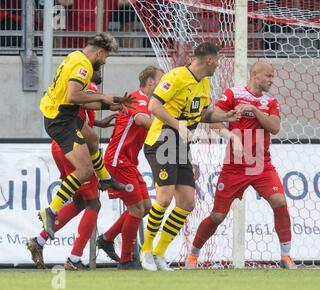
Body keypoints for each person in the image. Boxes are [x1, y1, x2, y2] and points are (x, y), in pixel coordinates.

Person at [185, 61, 297, 269]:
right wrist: (231, 137)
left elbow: (275, 128)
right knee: (217, 216)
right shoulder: (233, 94)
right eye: (269, 76)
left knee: (280, 202)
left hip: (261, 165)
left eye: (273, 77)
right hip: (234, 166)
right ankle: (193, 254)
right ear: (255, 74)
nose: (272, 80)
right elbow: (214, 121)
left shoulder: (270, 101)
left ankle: (286, 256)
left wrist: (254, 110)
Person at [140, 42, 240, 271]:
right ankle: (145, 249)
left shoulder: (204, 83)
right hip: (162, 140)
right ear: (210, 60)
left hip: (180, 145)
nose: (219, 65)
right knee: (164, 198)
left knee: (186, 202)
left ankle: (159, 253)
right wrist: (178, 125)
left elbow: (204, 113)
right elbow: (153, 106)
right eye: (218, 60)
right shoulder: (175, 76)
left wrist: (227, 115)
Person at [38, 32, 135, 241]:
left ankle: (106, 179)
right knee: (83, 170)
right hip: (60, 119)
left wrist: (111, 104)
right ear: (99, 52)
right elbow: (74, 96)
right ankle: (52, 210)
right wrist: (103, 97)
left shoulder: (74, 56)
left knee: (91, 138)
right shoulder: (84, 66)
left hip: (63, 112)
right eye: (106, 57)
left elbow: (78, 102)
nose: (105, 61)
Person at [27, 71, 116, 270]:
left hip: (64, 145)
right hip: (74, 147)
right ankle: (74, 259)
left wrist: (99, 123)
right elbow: (82, 103)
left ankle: (39, 242)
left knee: (79, 201)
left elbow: (77, 116)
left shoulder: (76, 88)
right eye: (99, 65)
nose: (102, 69)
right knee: (93, 203)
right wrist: (111, 102)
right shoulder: (88, 88)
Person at [96, 65, 165, 270]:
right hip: (117, 161)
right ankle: (127, 260)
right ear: (151, 82)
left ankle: (107, 238)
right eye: (161, 82)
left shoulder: (146, 101)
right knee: (136, 209)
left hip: (128, 162)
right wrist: (168, 121)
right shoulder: (138, 99)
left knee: (145, 207)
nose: (164, 87)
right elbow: (142, 121)